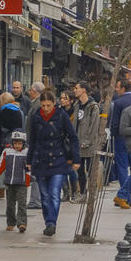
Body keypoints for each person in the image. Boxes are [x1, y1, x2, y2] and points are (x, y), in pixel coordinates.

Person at [27, 90, 80, 236]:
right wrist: (29, 161)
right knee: (44, 196)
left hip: (58, 159)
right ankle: (48, 221)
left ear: (54, 103)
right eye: (43, 105)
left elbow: (73, 137)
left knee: (54, 194)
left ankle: (51, 223)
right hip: (40, 160)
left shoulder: (61, 116)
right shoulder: (36, 116)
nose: (45, 108)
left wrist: (76, 159)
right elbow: (32, 140)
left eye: (48, 105)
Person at [0, 130, 30, 233]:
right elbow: (0, 165)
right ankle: (10, 223)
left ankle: (22, 223)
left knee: (22, 204)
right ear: (12, 143)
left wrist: (28, 179)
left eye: (19, 143)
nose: (17, 146)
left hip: (21, 183)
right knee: (10, 204)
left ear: (23, 143)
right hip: (9, 182)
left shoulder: (26, 153)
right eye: (15, 143)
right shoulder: (7, 152)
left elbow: (29, 168)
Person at [0, 92, 25, 199]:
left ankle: (1, 190)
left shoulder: (1, 113)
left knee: (2, 164)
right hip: (18, 141)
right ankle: (15, 188)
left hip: (4, 142)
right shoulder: (19, 112)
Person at [73, 80, 101, 203]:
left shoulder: (93, 106)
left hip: (89, 145)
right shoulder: (76, 105)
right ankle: (83, 194)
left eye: (76, 88)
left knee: (90, 170)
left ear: (84, 90)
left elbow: (94, 126)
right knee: (79, 171)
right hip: (77, 143)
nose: (74, 90)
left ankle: (91, 195)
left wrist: (87, 141)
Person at [108, 78, 131, 187]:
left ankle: (125, 196)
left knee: (122, 167)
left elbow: (114, 124)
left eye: (118, 87)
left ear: (123, 89)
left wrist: (113, 135)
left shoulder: (118, 102)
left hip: (121, 138)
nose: (116, 90)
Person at [58, 90, 79, 201]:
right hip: (61, 143)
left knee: (71, 169)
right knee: (62, 169)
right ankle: (65, 192)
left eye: (65, 98)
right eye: (61, 98)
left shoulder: (75, 113)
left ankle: (75, 191)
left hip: (71, 144)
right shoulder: (59, 112)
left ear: (71, 100)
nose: (62, 100)